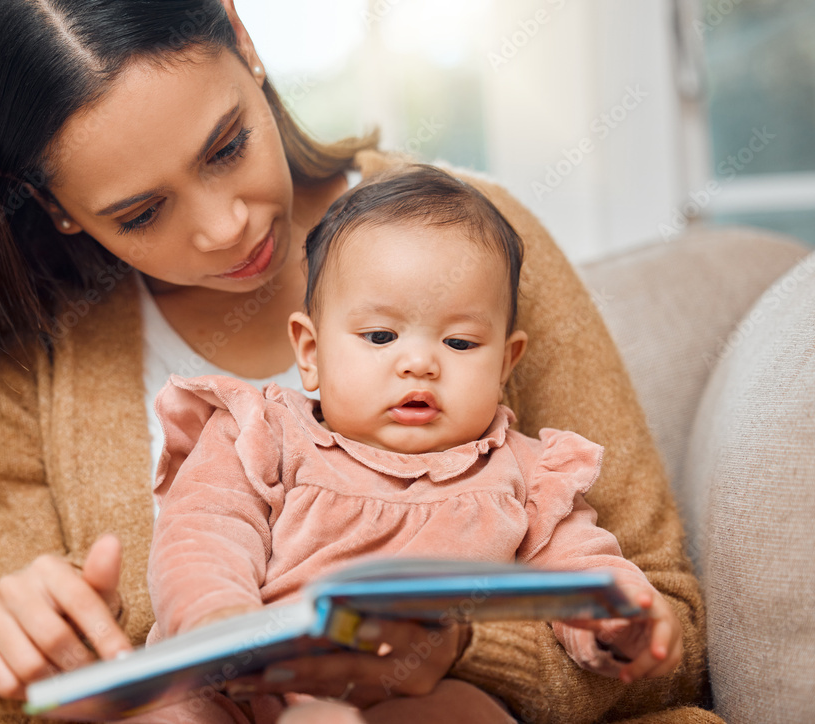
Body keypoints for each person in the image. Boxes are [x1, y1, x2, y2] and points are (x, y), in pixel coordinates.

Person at [0, 1, 719, 723]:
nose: (225, 227)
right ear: (52, 205)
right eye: (144, 211)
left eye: (227, 146)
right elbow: (17, 707)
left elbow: (667, 636)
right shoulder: (14, 366)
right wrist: (15, 674)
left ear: (243, 36)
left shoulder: (468, 243)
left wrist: (460, 657)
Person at [131, 166, 683, 724]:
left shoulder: (528, 475)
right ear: (310, 351)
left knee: (470, 710)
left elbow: (582, 568)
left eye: (460, 342)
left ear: (505, 365)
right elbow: (203, 534)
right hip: (249, 678)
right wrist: (221, 623)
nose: (419, 362)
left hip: (408, 694)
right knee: (172, 709)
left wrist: (619, 620)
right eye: (380, 336)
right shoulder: (259, 434)